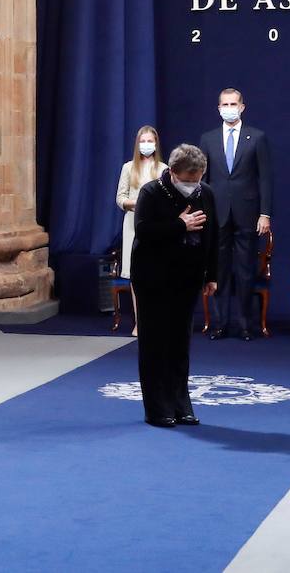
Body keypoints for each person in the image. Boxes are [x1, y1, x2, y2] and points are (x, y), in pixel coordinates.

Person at [131, 143, 218, 428]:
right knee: (155, 343)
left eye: (197, 180)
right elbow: (143, 230)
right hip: (153, 279)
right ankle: (157, 408)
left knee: (180, 344)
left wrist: (211, 275)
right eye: (187, 181)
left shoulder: (207, 194)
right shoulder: (151, 192)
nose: (192, 186)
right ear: (173, 173)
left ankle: (181, 403)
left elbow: (213, 237)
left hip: (187, 278)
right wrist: (180, 225)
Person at [200, 87, 272, 341]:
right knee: (219, 270)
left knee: (244, 270)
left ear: (242, 106)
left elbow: (265, 179)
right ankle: (220, 323)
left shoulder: (257, 137)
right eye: (224, 104)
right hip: (217, 214)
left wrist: (265, 213)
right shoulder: (207, 139)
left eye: (234, 104)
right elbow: (202, 181)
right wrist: (202, 214)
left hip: (247, 212)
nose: (229, 108)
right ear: (218, 108)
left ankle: (244, 324)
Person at [115, 126, 163, 336]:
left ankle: (156, 321)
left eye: (149, 141)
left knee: (155, 275)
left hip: (156, 226)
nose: (146, 145)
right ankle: (139, 322)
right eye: (142, 141)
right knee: (137, 276)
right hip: (133, 225)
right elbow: (120, 198)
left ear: (156, 143)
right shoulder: (128, 168)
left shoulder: (163, 169)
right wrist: (133, 203)